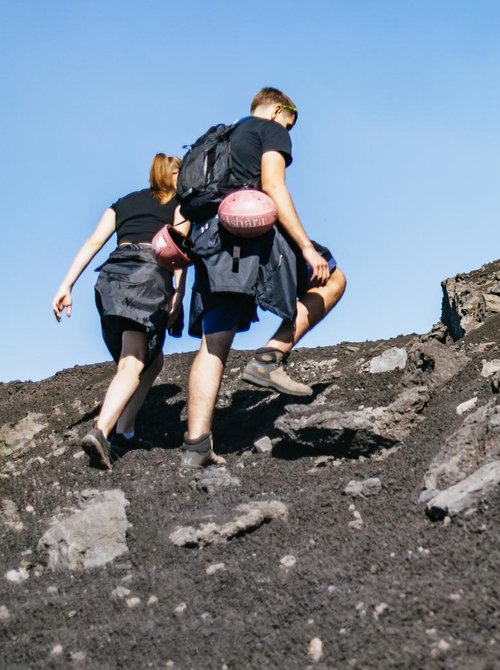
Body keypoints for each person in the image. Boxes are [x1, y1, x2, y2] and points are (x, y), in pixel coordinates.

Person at [180, 88, 347, 467]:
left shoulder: (223, 137)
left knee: (214, 342)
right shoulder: (270, 129)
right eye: (290, 121)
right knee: (333, 279)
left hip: (212, 242)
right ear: (277, 109)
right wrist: (305, 247)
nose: (289, 131)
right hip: (253, 238)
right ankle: (269, 359)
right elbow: (273, 186)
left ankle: (196, 445)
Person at [52, 154, 186, 468]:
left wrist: (66, 285)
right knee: (133, 360)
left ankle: (126, 429)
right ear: (173, 175)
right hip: (146, 275)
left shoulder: (122, 203)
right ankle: (102, 431)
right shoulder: (180, 205)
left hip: (111, 278)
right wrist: (177, 296)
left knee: (152, 361)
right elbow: (178, 252)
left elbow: (93, 242)